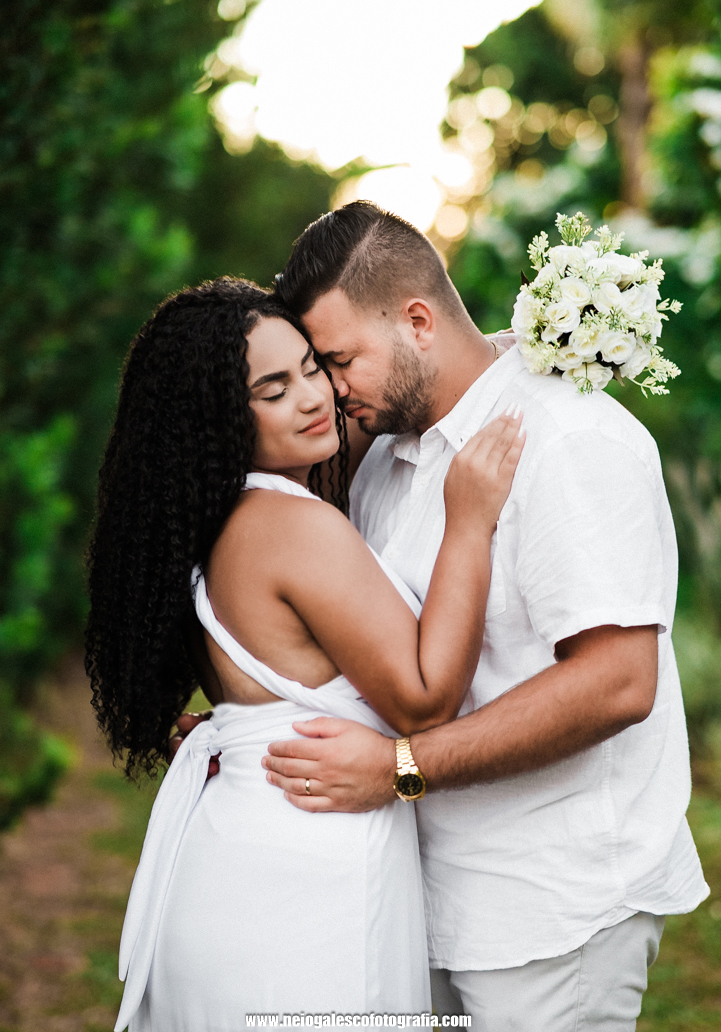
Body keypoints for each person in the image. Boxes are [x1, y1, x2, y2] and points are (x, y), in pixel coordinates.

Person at [253, 201, 710, 1031]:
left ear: (417, 322)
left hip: (550, 908)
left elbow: (615, 683)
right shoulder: (387, 455)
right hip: (422, 895)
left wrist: (398, 767)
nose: (329, 389)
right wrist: (247, 727)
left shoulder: (565, 437)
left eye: (340, 360)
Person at [85, 276, 524, 1031]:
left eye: (313, 367)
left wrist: (501, 349)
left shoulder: (211, 519)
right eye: (274, 389)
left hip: (236, 856)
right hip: (308, 874)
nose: (314, 397)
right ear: (219, 416)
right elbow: (423, 702)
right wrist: (467, 522)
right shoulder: (292, 526)